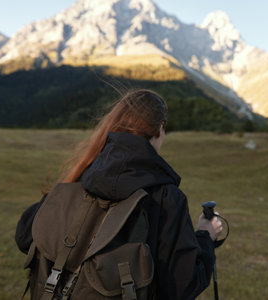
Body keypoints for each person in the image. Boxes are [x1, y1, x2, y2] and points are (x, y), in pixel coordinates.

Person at [16, 88, 223, 299]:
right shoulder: (167, 198)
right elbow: (183, 285)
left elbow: (24, 237)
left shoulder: (83, 175)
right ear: (160, 130)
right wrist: (206, 236)